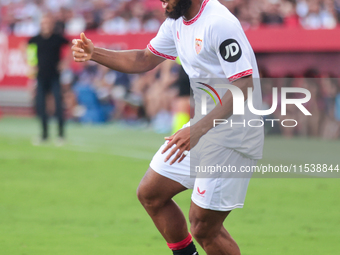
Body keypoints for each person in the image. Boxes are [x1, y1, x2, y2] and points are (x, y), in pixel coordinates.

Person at [71, 0, 264, 254]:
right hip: (205, 127)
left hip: (234, 133)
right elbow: (143, 59)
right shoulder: (176, 21)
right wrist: (95, 53)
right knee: (151, 194)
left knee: (204, 228)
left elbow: (244, 85)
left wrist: (197, 129)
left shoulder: (219, 23)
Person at [28, 15, 69, 145]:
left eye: (48, 23)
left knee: (58, 104)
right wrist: (30, 63)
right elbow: (25, 47)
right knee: (41, 105)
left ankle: (61, 134)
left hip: (55, 77)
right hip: (40, 77)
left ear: (52, 24)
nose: (46, 25)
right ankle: (44, 135)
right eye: (43, 23)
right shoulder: (36, 39)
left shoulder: (57, 38)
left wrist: (65, 63)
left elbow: (70, 48)